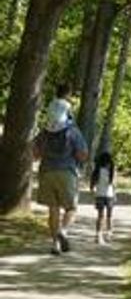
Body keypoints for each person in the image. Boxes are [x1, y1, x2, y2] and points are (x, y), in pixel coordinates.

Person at [33, 98, 89, 255]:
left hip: (46, 172)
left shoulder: (44, 133)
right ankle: (63, 231)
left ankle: (55, 245)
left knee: (53, 209)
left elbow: (35, 155)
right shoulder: (73, 131)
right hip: (67, 173)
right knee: (72, 207)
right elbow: (83, 155)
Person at [91, 151, 115, 245]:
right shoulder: (111, 171)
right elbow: (114, 184)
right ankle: (109, 233)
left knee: (100, 216)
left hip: (99, 195)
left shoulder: (97, 171)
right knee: (109, 216)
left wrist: (93, 193)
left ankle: (98, 235)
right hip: (109, 195)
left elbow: (92, 185)